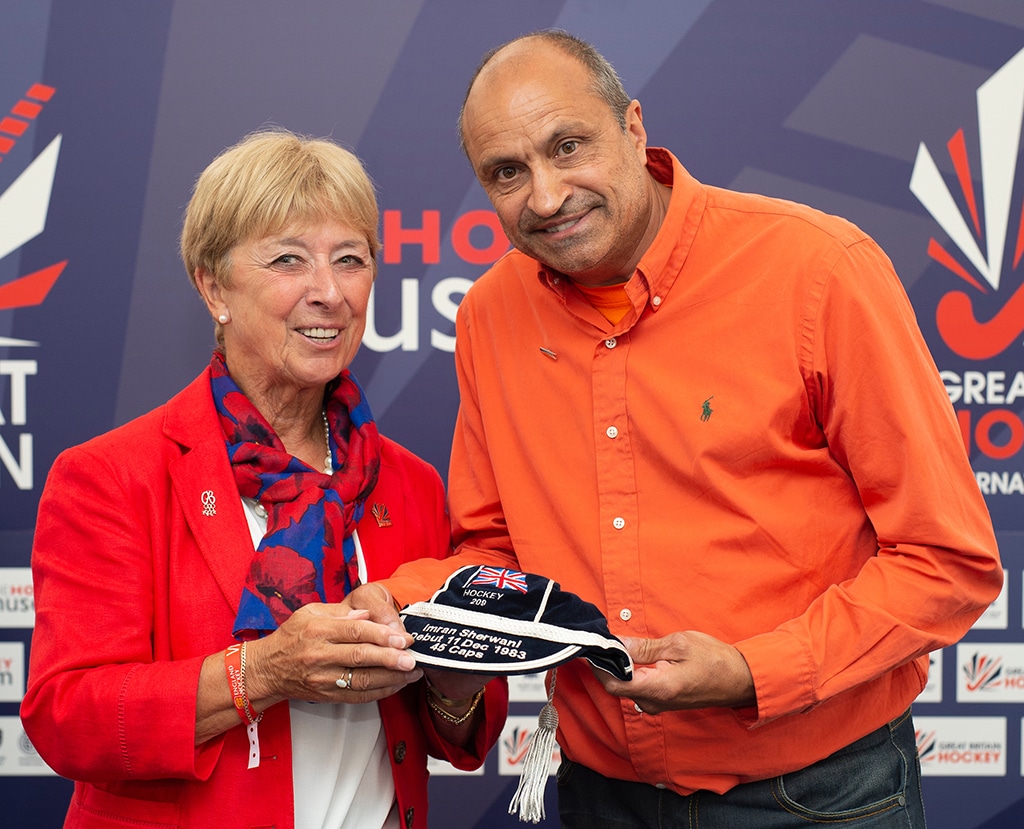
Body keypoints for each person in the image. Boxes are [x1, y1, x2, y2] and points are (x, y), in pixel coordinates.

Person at [382, 30, 1003, 828]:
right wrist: (402, 610)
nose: (544, 196)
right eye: (507, 172)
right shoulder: (491, 315)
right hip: (602, 792)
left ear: (634, 130)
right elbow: (496, 552)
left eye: (568, 146)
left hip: (819, 794)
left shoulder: (818, 271)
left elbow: (946, 560)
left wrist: (752, 670)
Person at [21, 128, 506, 829]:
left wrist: (455, 682)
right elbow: (67, 716)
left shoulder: (409, 482)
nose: (330, 292)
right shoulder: (111, 475)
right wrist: (264, 671)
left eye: (351, 259)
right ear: (213, 285)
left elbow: (460, 735)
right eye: (288, 260)